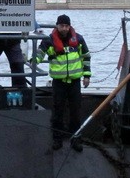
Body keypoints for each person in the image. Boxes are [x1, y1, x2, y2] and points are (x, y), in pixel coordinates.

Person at [33, 14, 92, 151]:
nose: (64, 29)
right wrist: (33, 60)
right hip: (59, 82)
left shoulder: (79, 39)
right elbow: (40, 53)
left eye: (66, 26)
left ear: (69, 26)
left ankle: (76, 139)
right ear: (57, 26)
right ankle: (57, 139)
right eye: (61, 26)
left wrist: (87, 76)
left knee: (75, 111)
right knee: (57, 111)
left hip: (75, 81)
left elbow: (86, 57)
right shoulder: (49, 41)